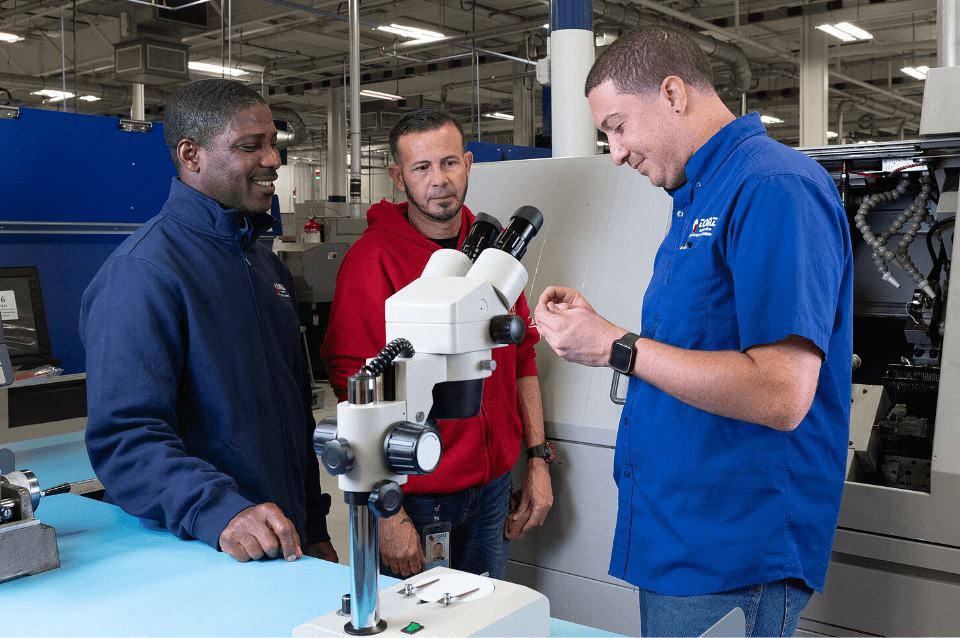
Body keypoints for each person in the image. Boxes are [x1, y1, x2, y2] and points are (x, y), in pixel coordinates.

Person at [534, 25, 852, 638]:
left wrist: (617, 346)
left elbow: (783, 393)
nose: (617, 152)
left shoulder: (772, 187)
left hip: (735, 548)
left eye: (618, 126)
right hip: (681, 535)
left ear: (674, 93)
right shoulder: (699, 195)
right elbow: (693, 349)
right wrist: (602, 332)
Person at [81, 78, 337, 565]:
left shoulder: (266, 267)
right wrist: (219, 511)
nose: (274, 160)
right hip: (207, 546)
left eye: (273, 145)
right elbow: (126, 439)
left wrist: (313, 521)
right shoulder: (143, 273)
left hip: (278, 542)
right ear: (191, 154)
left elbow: (291, 416)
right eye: (250, 147)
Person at [319, 109, 553, 580]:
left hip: (492, 488)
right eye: (421, 167)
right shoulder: (372, 260)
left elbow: (522, 356)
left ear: (468, 164)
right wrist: (387, 513)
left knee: (484, 624)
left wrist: (538, 459)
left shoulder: (493, 259)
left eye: (449, 163)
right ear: (398, 177)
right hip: (419, 496)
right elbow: (353, 385)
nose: (439, 180)